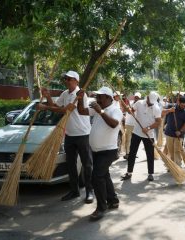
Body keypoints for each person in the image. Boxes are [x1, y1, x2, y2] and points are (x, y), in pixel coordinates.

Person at [38, 70, 94, 203]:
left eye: (69, 79)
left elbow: (65, 110)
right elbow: (55, 106)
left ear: (76, 81)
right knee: (71, 164)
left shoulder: (80, 94)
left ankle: (89, 191)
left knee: (87, 164)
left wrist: (45, 108)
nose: (67, 81)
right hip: (69, 134)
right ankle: (74, 191)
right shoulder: (65, 93)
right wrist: (48, 96)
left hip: (82, 134)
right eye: (66, 79)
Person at [77, 86, 122, 221]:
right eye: (97, 96)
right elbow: (81, 111)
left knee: (96, 178)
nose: (97, 99)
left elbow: (114, 124)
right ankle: (113, 200)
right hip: (96, 150)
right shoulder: (98, 108)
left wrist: (100, 111)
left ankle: (101, 207)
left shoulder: (115, 110)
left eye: (100, 96)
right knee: (104, 175)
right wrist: (80, 99)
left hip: (108, 151)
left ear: (108, 98)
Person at [121, 91, 162, 181]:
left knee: (150, 154)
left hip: (148, 135)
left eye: (152, 102)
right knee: (132, 153)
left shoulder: (156, 108)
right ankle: (129, 172)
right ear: (147, 98)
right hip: (136, 132)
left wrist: (148, 128)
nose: (151, 104)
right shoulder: (139, 103)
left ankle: (150, 173)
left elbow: (158, 122)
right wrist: (129, 110)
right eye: (150, 101)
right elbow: (132, 111)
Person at [162, 96, 185, 166]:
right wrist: (169, 110)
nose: (184, 106)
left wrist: (180, 131)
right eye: (182, 105)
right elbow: (162, 113)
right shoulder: (171, 107)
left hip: (179, 135)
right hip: (169, 133)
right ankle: (171, 166)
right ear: (178, 102)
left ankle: (178, 166)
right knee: (170, 151)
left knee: (177, 151)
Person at [123, 92, 141, 159]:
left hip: (136, 125)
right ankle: (127, 153)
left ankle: (133, 153)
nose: (136, 98)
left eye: (138, 97)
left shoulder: (140, 105)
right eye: (135, 97)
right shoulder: (130, 103)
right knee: (128, 140)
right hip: (129, 124)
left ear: (140, 98)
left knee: (134, 141)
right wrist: (127, 108)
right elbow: (127, 111)